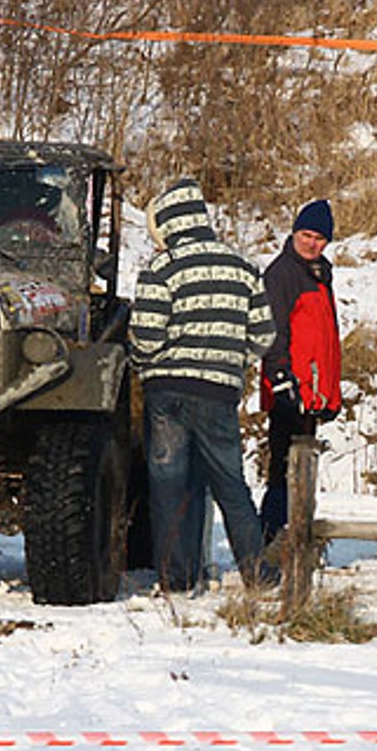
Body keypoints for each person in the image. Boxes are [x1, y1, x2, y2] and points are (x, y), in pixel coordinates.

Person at [130, 178, 278, 593]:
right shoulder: (244, 268)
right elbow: (264, 335)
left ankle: (177, 581)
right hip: (219, 394)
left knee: (169, 486)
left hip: (168, 391)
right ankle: (256, 573)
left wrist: (147, 366)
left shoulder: (162, 268)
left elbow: (146, 335)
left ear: (169, 223)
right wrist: (231, 363)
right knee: (230, 484)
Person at [258, 199, 343, 547]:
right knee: (282, 470)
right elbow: (272, 329)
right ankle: (266, 546)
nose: (312, 243)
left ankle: (296, 544)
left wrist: (330, 393)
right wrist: (280, 376)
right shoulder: (282, 273)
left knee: (302, 472)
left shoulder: (320, 274)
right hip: (289, 389)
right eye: (307, 235)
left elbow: (325, 338)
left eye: (319, 238)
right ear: (294, 232)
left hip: (312, 392)